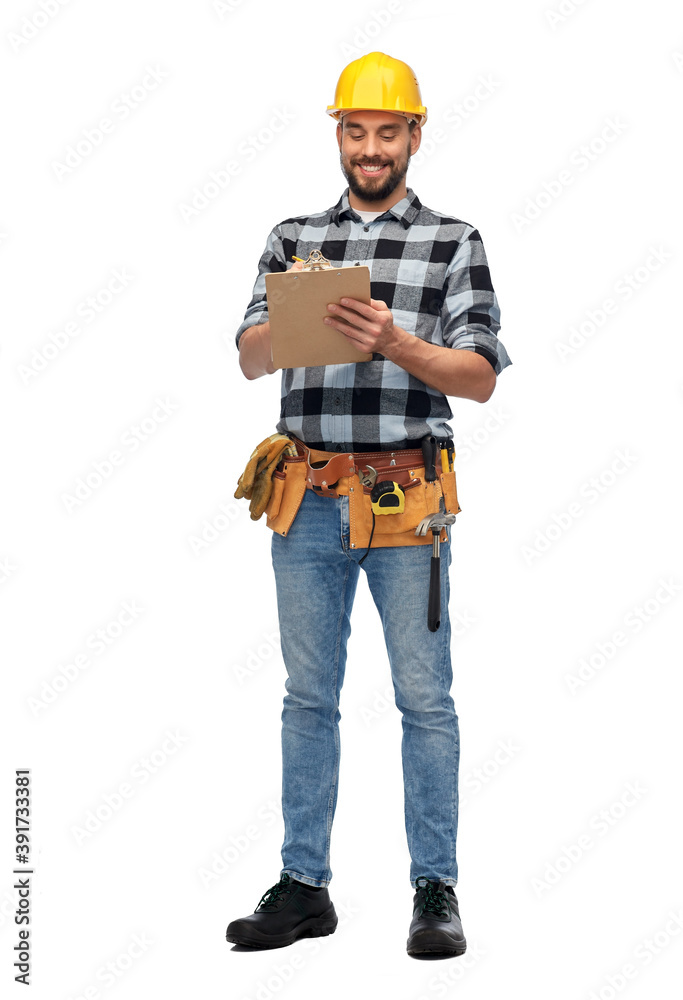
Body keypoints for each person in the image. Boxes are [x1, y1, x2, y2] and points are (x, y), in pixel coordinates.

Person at [226, 51, 512, 957]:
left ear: (414, 135)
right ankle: (304, 885)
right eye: (356, 131)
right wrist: (297, 323)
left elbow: (477, 377)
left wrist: (393, 340)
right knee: (306, 698)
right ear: (338, 134)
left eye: (388, 132)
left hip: (407, 501)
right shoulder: (290, 237)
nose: (371, 148)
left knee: (424, 700)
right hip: (306, 497)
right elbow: (249, 356)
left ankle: (435, 888)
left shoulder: (453, 242)